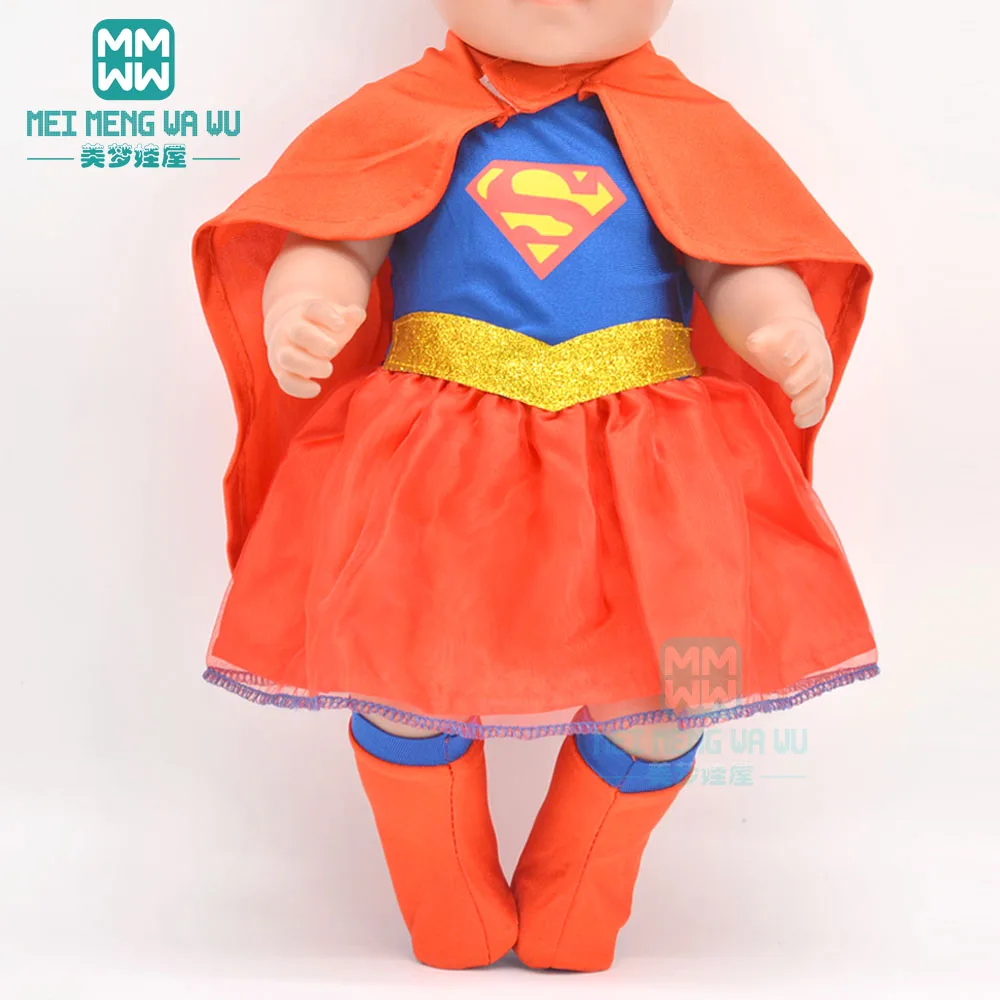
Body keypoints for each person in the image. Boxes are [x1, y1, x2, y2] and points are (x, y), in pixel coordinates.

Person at [192, 0, 879, 972]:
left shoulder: (688, 127)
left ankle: (576, 890)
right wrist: (308, 294)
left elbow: (731, 250)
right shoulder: (400, 116)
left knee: (682, 688)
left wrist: (778, 316)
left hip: (654, 468)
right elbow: (339, 228)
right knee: (402, 683)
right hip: (439, 464)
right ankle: (446, 897)